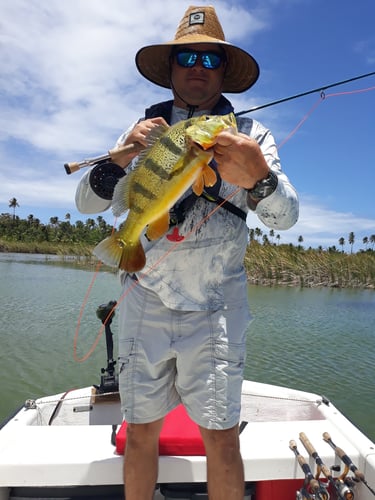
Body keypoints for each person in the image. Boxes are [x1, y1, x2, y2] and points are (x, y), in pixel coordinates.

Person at [75, 5, 299, 499]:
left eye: (210, 58)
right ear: (172, 67)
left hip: (217, 307)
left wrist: (259, 178)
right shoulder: (146, 131)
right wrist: (120, 159)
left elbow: (286, 217)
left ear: (223, 71)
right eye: (187, 56)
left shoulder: (251, 136)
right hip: (143, 300)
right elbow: (88, 202)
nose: (198, 65)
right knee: (140, 434)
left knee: (221, 438)